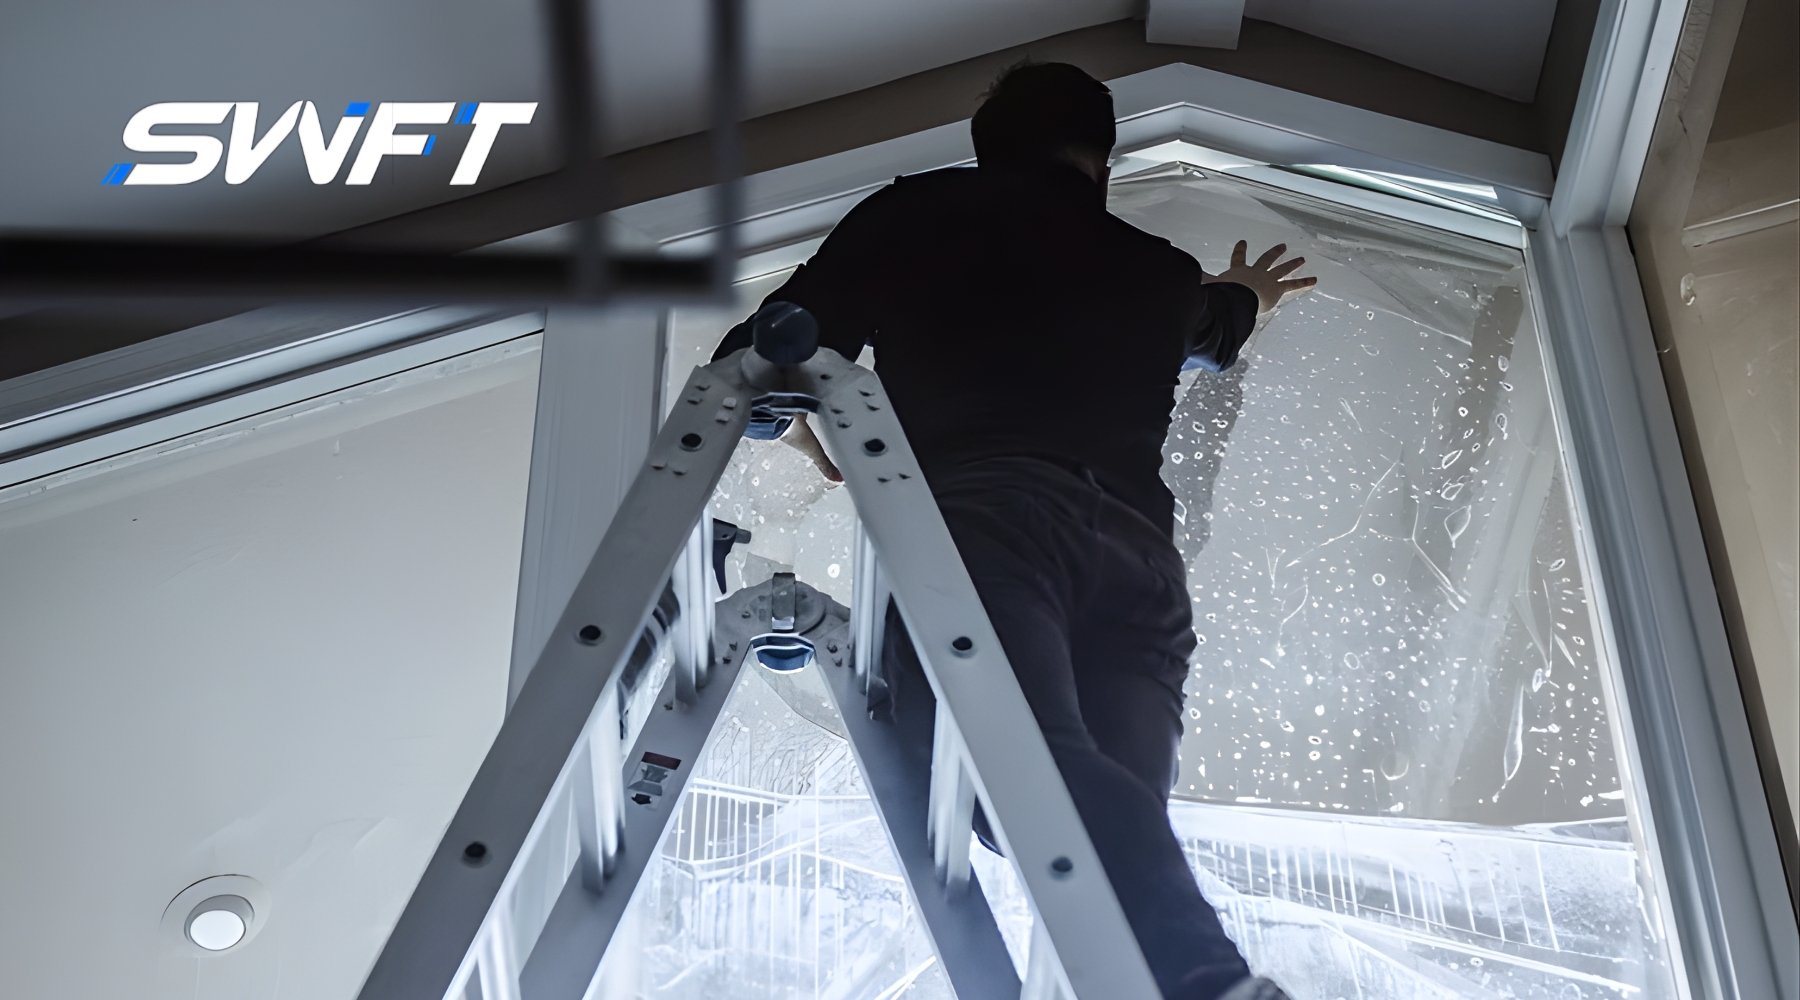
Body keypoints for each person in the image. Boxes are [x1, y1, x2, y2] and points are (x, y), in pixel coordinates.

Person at [713, 62, 1314, 1000]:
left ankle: (1213, 983)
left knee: (1034, 791)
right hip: (1138, 567)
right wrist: (1247, 290)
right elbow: (1223, 324)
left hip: (994, 524)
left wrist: (796, 419)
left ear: (984, 153)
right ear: (1102, 164)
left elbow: (760, 352)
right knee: (1079, 829)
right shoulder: (1155, 269)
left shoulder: (921, 216)